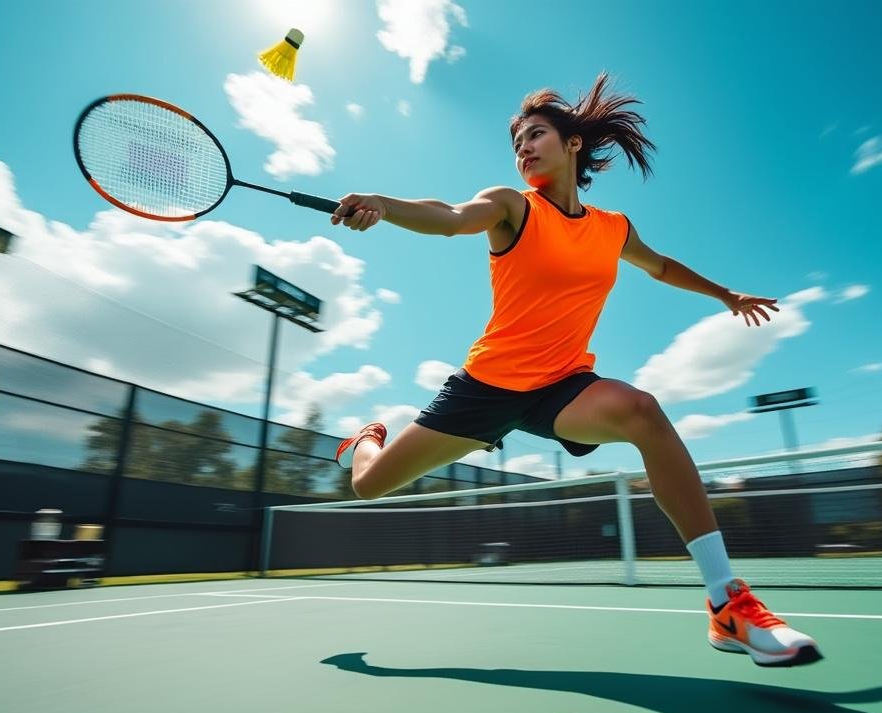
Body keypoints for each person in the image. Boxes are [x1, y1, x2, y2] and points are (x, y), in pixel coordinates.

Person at [328, 73, 821, 667]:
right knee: (369, 485)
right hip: (487, 388)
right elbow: (454, 216)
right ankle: (365, 439)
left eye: (537, 135)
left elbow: (659, 266)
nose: (525, 149)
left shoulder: (612, 228)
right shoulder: (513, 208)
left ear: (573, 145)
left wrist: (724, 294)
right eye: (518, 144)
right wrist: (385, 204)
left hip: (560, 386)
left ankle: (727, 604)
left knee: (643, 410)